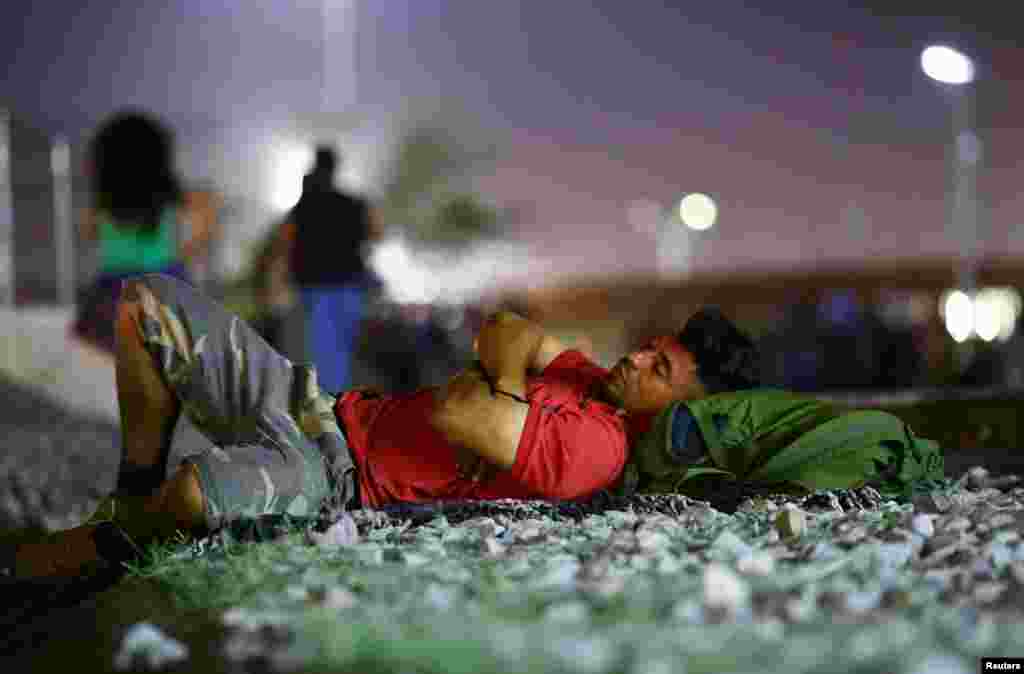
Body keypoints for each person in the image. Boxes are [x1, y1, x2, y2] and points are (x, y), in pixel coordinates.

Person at [3, 273, 727, 579]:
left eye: (659, 370)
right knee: (147, 303)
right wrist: (508, 386)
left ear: (678, 406)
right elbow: (505, 328)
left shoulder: (595, 449)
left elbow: (455, 406)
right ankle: (130, 492)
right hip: (325, 410)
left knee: (195, 497)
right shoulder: (583, 379)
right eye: (651, 346)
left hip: (342, 481)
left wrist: (494, 388)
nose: (636, 357)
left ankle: (57, 561)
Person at [71, 109, 219, 357]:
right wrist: (186, 253)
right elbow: (208, 212)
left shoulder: (106, 200)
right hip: (162, 283)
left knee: (116, 365)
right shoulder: (168, 195)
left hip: (114, 290)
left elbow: (87, 233)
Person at [272, 145, 383, 393]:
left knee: (324, 350)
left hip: (315, 287)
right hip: (350, 286)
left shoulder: (303, 205)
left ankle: (330, 409)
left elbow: (284, 241)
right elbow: (377, 233)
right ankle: (335, 407)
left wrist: (279, 279)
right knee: (339, 350)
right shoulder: (354, 203)